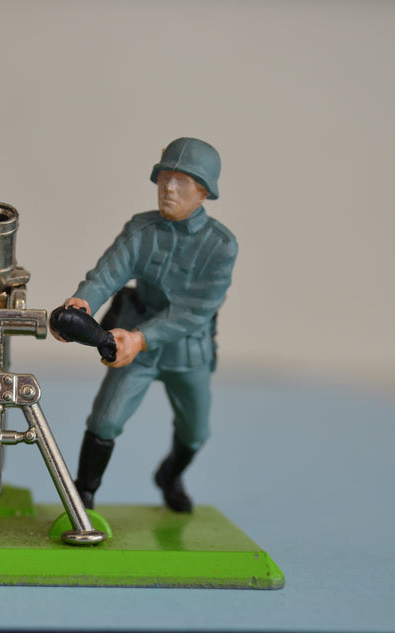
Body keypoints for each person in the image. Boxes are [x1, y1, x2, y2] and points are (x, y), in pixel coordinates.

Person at [52, 138, 237, 513]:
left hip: (186, 350)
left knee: (196, 431)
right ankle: (83, 494)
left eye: (182, 182)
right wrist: (82, 303)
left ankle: (170, 475)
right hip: (130, 344)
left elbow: (195, 310)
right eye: (165, 178)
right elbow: (108, 273)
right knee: (105, 420)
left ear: (203, 192)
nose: (169, 188)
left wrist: (141, 338)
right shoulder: (142, 230)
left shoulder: (221, 246)